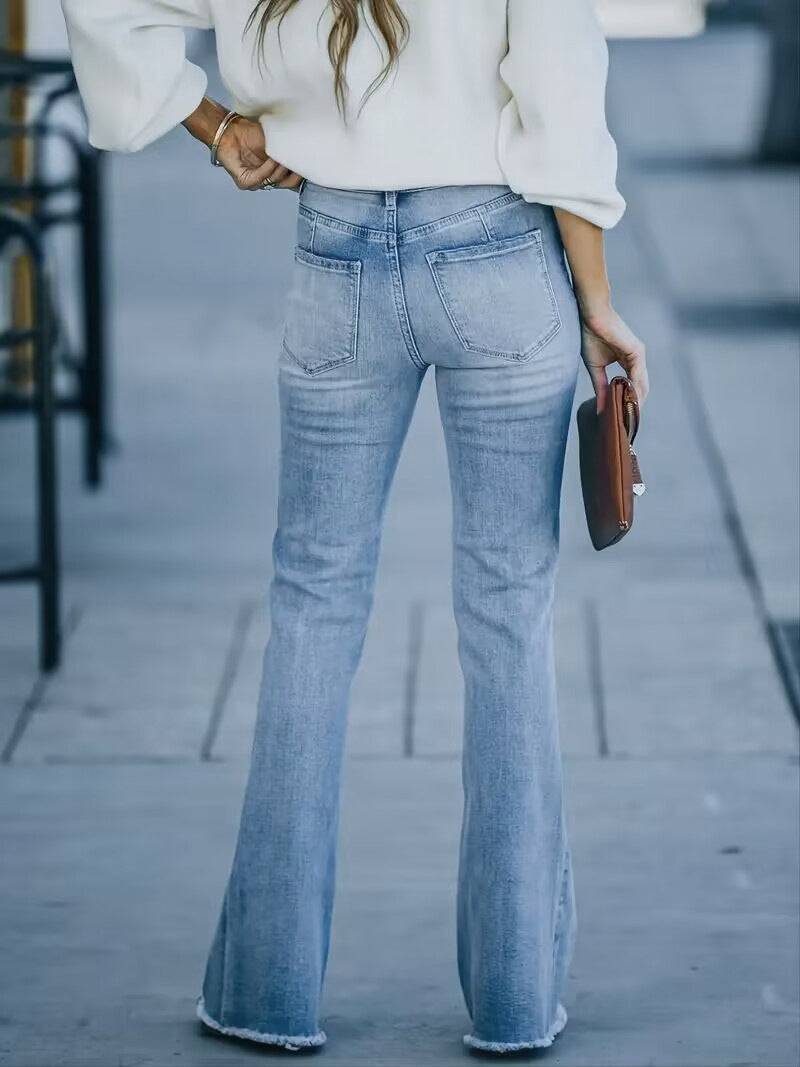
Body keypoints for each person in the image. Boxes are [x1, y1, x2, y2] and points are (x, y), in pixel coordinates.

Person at [59, 0, 649, 1054]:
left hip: (332, 256)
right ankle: (515, 1002)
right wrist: (596, 300)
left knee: (311, 613)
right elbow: (558, 90)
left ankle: (261, 993)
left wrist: (210, 120)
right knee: (507, 617)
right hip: (500, 253)